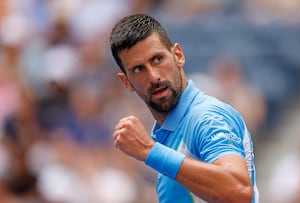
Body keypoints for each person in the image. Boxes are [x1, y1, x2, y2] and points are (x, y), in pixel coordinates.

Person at [109, 13, 259, 203]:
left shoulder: (206, 117)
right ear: (126, 82)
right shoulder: (170, 135)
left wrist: (149, 150)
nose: (154, 76)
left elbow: (238, 191)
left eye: (157, 59)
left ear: (178, 55)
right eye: (138, 69)